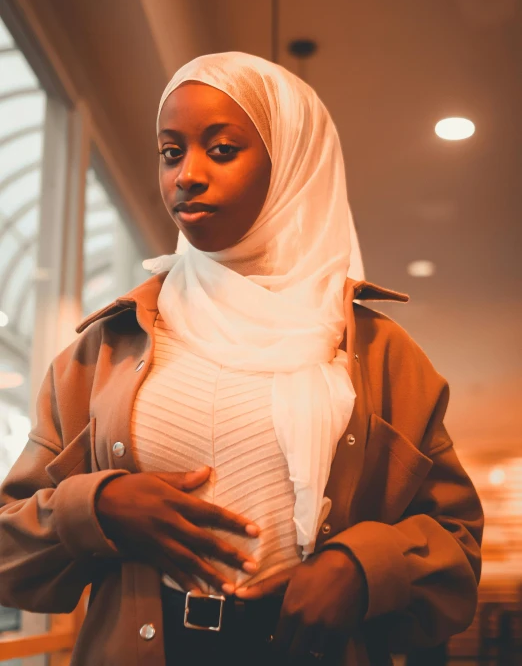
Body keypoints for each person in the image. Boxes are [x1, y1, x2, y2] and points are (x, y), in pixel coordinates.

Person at [0, 52, 483, 666]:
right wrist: (97, 507)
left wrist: (360, 569)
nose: (187, 176)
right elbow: (7, 550)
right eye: (171, 152)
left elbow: (459, 551)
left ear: (292, 167)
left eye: (221, 149)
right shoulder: (104, 351)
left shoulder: (381, 355)